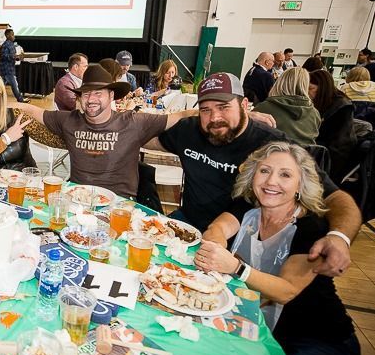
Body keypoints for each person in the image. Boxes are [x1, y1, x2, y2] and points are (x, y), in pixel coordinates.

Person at [195, 142, 359, 355]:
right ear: (253, 175)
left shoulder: (311, 227)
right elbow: (217, 228)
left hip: (322, 340)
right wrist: (214, 244)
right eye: (265, 171)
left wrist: (236, 267)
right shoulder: (248, 209)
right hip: (267, 329)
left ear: (301, 185)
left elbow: (286, 291)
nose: (272, 182)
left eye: (285, 175)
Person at [145, 72, 360, 277]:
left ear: (244, 105)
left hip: (242, 243)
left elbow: (335, 196)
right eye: (205, 110)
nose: (214, 118)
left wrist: (340, 237)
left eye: (224, 107)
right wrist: (187, 114)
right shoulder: (189, 130)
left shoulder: (271, 144)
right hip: (188, 225)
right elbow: (141, 137)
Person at [15, 65, 194, 198]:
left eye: (98, 93)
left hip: (120, 206)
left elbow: (180, 116)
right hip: (78, 200)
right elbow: (33, 111)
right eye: (86, 94)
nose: (91, 99)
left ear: (111, 96)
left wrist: (212, 114)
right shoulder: (69, 120)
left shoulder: (133, 122)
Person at [0, 71, 61, 174]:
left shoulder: (17, 116)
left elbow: (51, 139)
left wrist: (75, 138)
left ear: (0, 99)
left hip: (26, 182)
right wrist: (5, 139)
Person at [309, 69, 358, 183]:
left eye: (311, 88)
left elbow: (338, 145)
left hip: (335, 158)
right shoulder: (325, 102)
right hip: (326, 152)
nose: (308, 93)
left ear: (322, 88)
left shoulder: (342, 107)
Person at [252, 68, 321, 145]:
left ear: (280, 82)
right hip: (304, 155)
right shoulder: (315, 114)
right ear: (306, 86)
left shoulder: (264, 108)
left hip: (271, 155)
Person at [0, 29, 26, 103]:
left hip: (10, 68)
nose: (14, 36)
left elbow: (12, 57)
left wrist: (17, 58)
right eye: (12, 34)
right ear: (7, 36)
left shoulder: (11, 44)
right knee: (14, 85)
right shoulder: (5, 45)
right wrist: (15, 57)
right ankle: (21, 100)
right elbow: (3, 56)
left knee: (1, 86)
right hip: (6, 69)